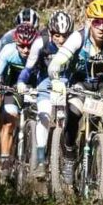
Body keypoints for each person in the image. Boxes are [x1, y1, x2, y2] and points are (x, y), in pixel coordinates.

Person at [47, 0, 103, 186]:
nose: (101, 27)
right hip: (79, 84)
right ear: (89, 21)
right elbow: (57, 62)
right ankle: (70, 156)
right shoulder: (78, 38)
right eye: (97, 21)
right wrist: (56, 79)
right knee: (73, 113)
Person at [16, 10, 74, 178]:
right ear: (50, 32)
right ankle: (41, 159)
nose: (61, 40)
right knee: (44, 116)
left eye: (65, 35)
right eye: (57, 35)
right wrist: (21, 82)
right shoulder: (40, 43)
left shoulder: (76, 42)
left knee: (72, 118)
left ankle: (68, 155)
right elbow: (28, 67)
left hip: (68, 83)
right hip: (46, 83)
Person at [0, 24, 38, 181]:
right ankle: (5, 162)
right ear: (16, 43)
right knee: (9, 119)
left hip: (34, 90)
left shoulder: (40, 52)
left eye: (29, 46)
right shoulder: (9, 50)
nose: (26, 50)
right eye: (22, 46)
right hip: (12, 89)